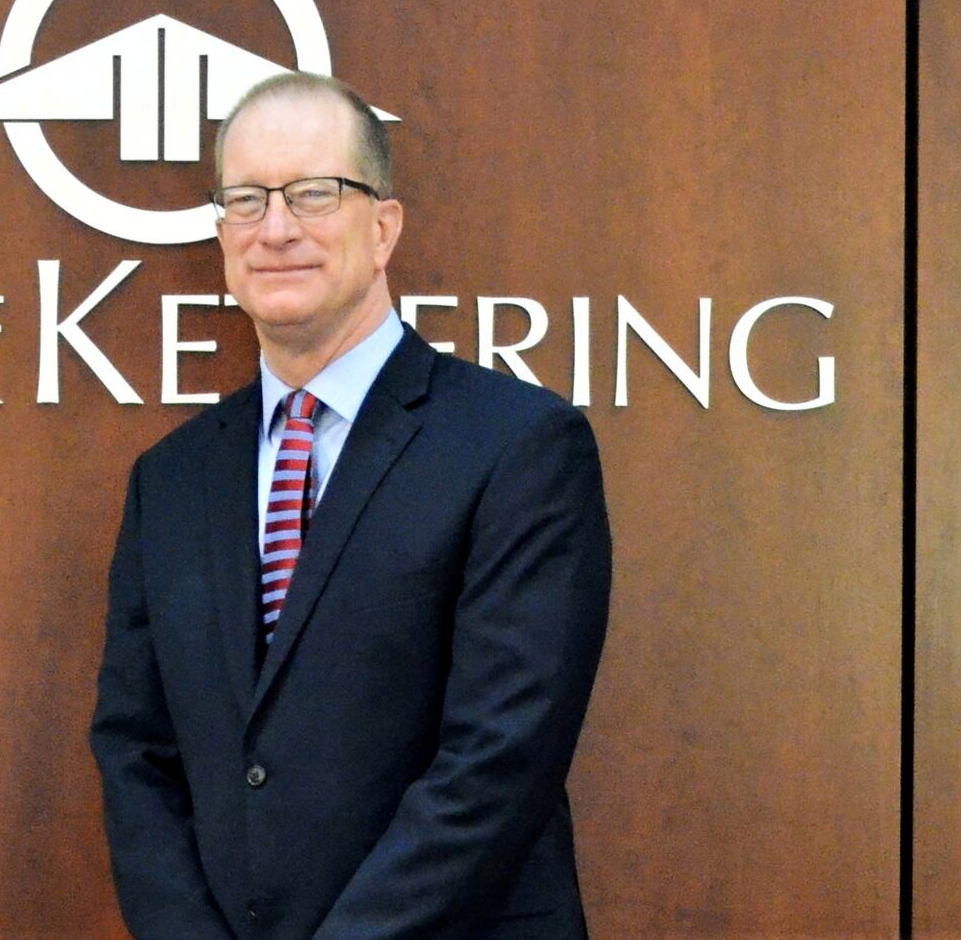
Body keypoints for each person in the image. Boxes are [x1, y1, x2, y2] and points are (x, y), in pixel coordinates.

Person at [89, 72, 611, 939]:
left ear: (383, 227)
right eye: (246, 200)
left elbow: (501, 756)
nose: (276, 229)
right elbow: (136, 751)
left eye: (314, 193)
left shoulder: (518, 445)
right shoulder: (170, 481)